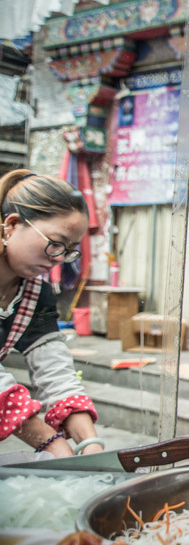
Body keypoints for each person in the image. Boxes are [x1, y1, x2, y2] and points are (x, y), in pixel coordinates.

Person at [0, 169, 104, 457]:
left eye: (69, 250)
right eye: (54, 243)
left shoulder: (35, 294)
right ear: (12, 225)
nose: (58, 258)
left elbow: (54, 371)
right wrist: (55, 444)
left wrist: (89, 444)